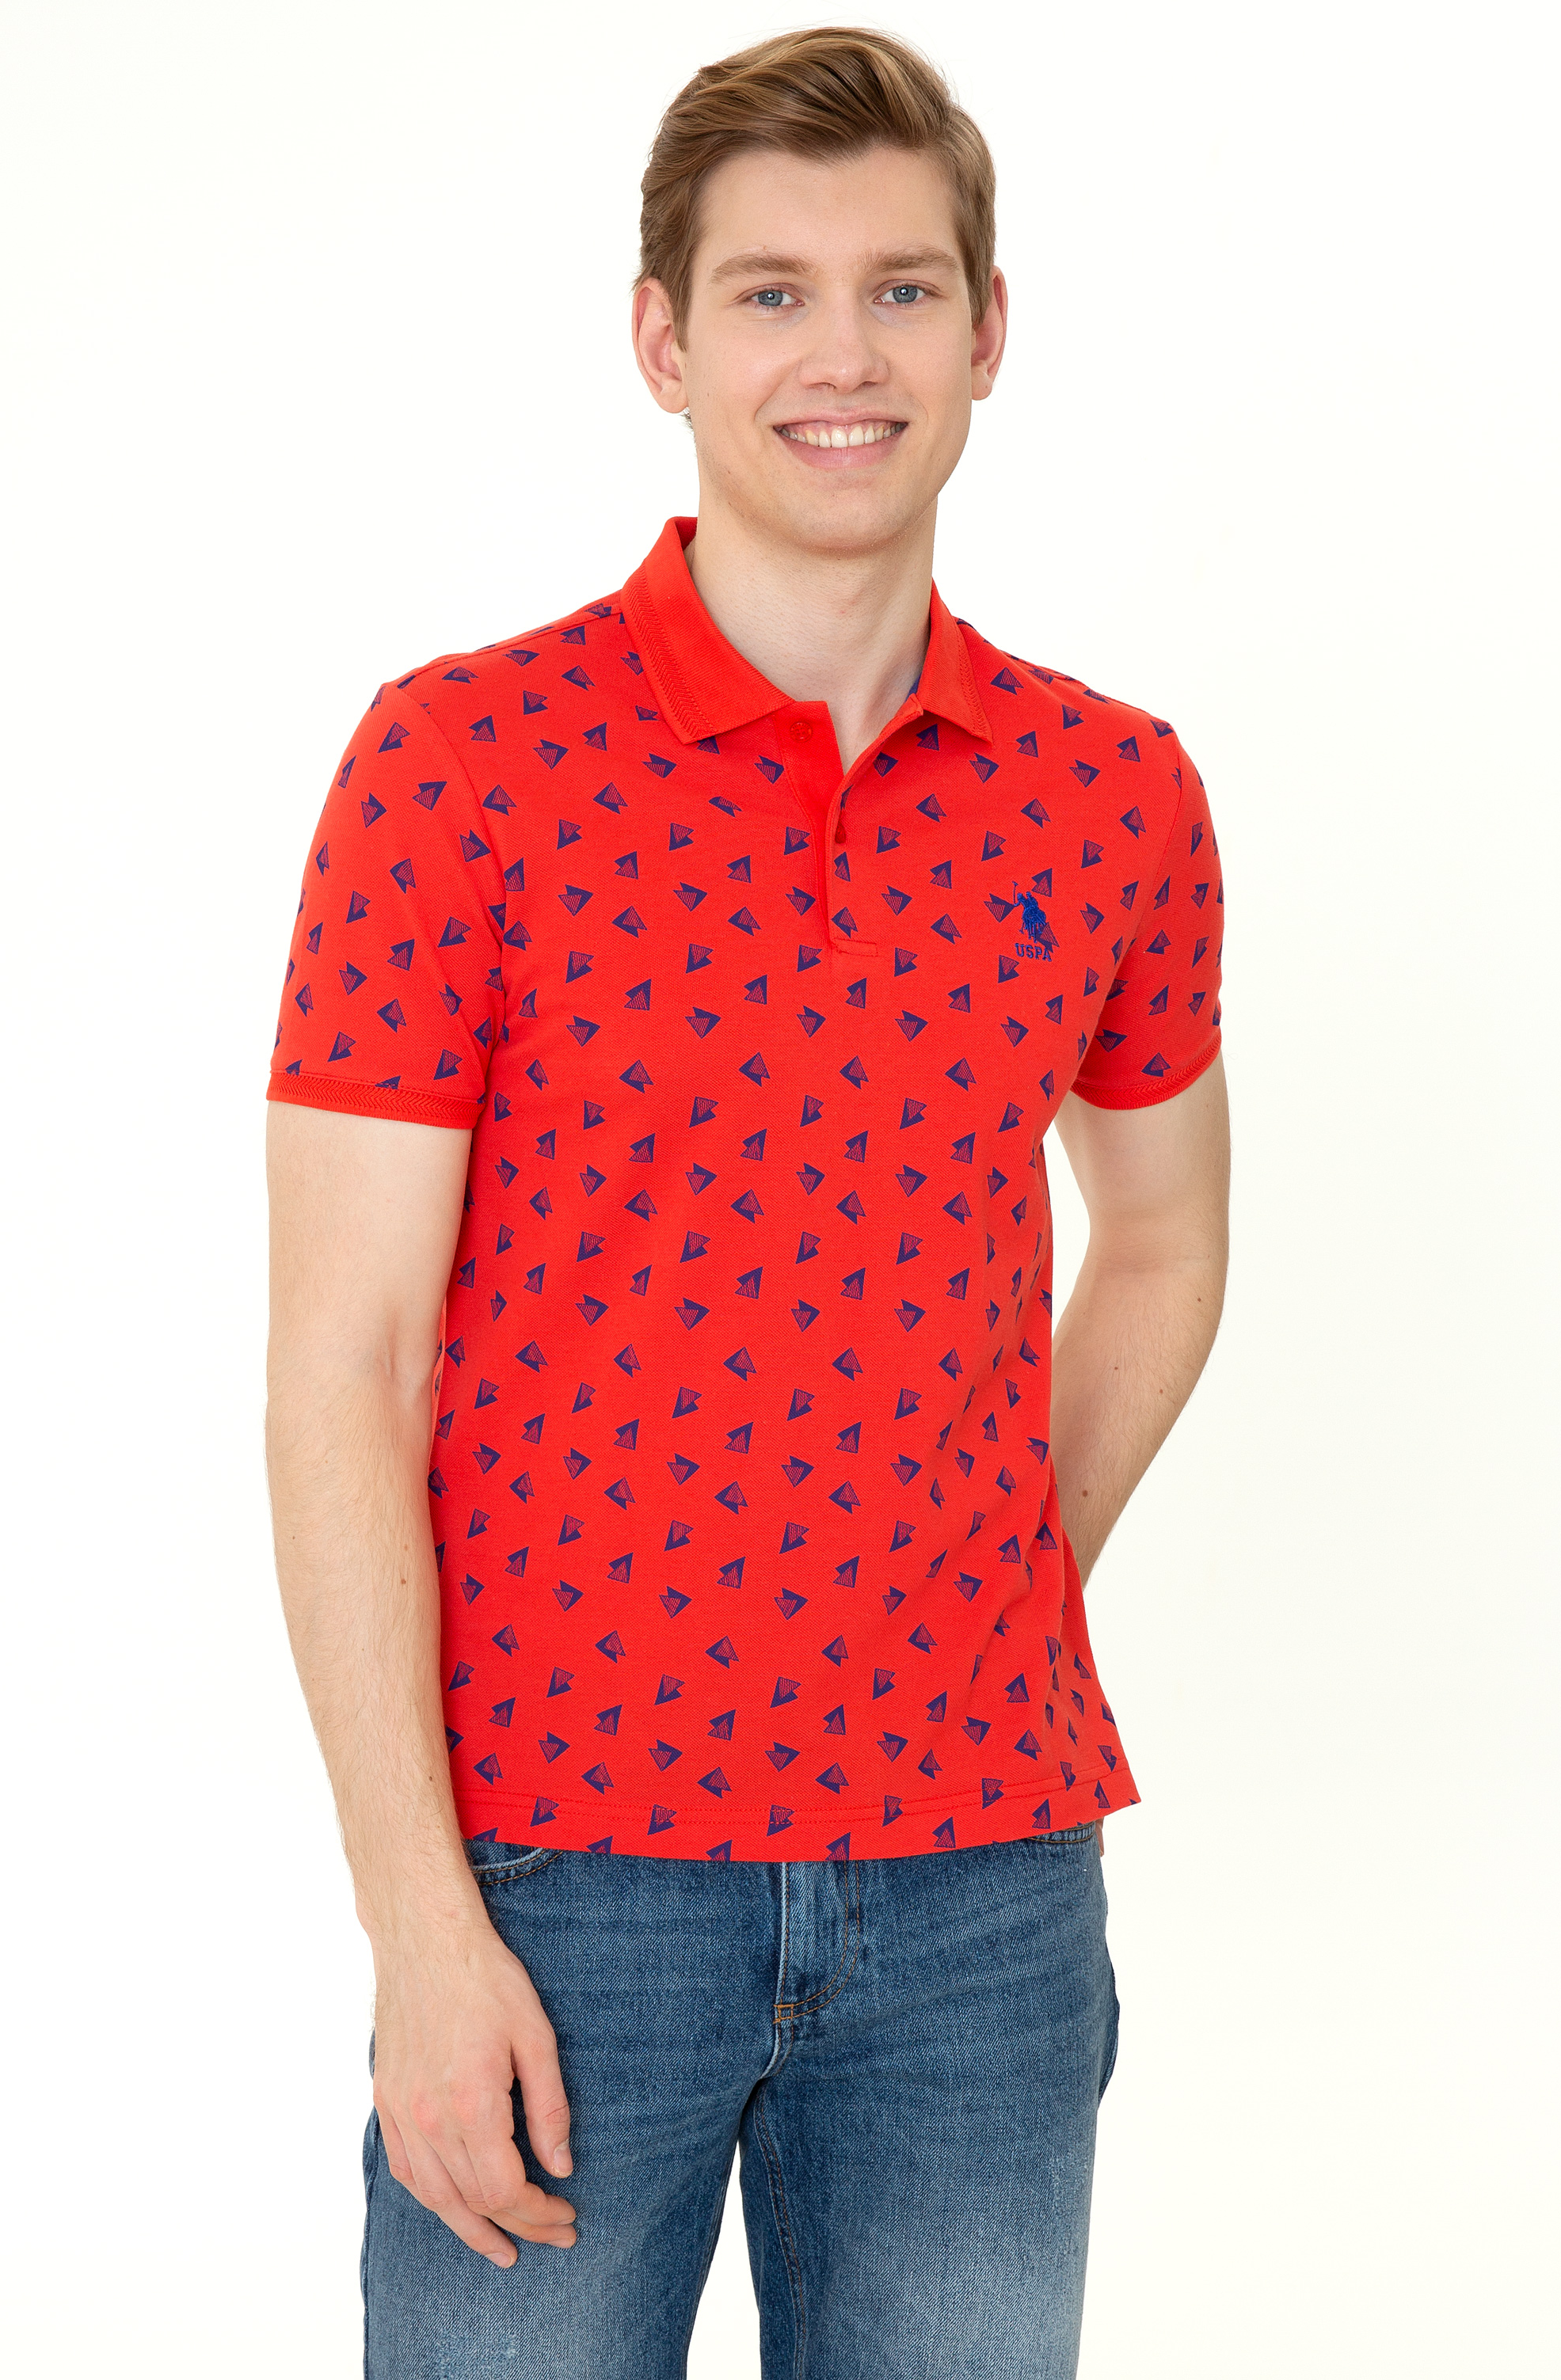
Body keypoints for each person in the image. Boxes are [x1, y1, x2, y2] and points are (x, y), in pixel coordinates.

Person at [264, 26, 1230, 2378]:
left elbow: (1166, 1237)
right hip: (558, 1883)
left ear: (986, 336)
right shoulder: (459, 764)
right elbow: (339, 1368)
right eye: (771, 293)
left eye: (903, 290)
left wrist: (999, 1556)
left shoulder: (1112, 795)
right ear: (662, 339)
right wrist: (419, 1924)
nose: (842, 355)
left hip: (983, 1894)